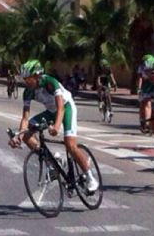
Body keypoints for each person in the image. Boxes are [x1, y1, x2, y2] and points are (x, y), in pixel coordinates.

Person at [9, 59, 99, 192]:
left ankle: (90, 177)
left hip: (67, 108)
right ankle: (53, 163)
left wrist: (56, 127)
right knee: (27, 136)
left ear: (37, 75)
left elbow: (61, 108)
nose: (26, 82)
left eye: (28, 79)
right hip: (51, 112)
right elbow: (25, 117)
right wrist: (19, 135)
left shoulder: (50, 82)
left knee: (70, 145)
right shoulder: (28, 92)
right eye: (25, 79)